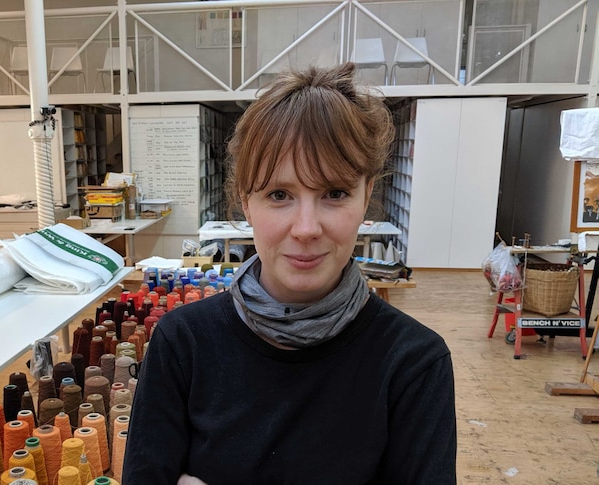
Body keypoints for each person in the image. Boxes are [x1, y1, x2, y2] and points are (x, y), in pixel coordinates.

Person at [124, 63, 456, 484]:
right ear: (246, 202)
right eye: (279, 195)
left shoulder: (412, 364)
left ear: (367, 194)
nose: (306, 228)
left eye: (334, 193)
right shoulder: (183, 345)